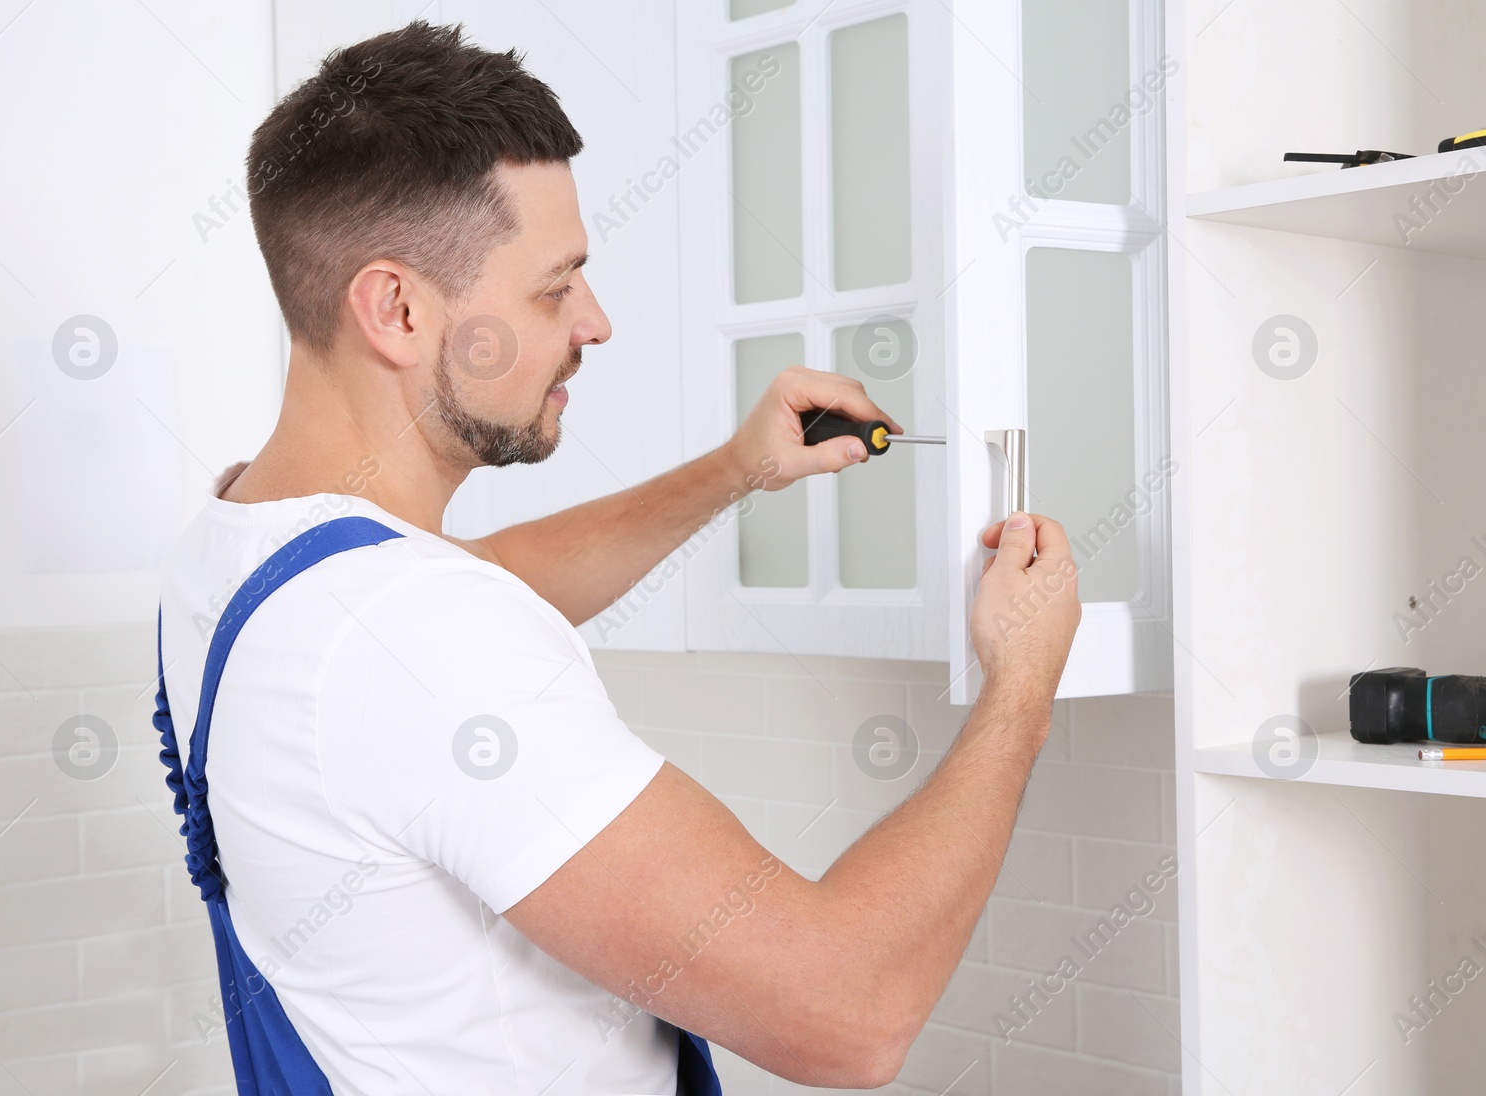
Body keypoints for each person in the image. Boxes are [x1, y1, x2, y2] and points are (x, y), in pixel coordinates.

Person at [155, 20, 1081, 1094]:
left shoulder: (240, 549)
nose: (594, 323)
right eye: (555, 288)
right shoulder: (415, 640)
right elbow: (851, 1011)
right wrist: (1020, 686)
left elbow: (467, 588)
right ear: (398, 309)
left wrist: (738, 468)